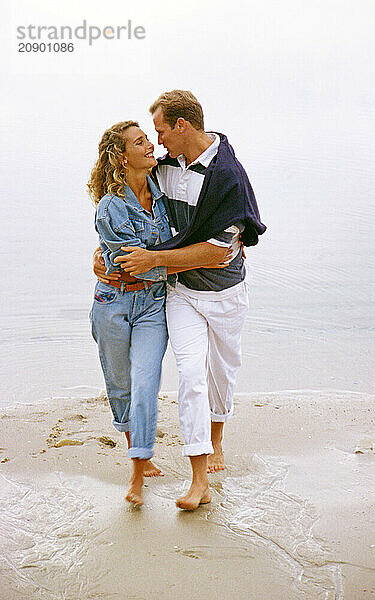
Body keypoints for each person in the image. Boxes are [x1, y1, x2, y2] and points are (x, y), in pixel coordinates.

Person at [94, 91, 266, 510]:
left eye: (160, 131)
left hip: (225, 291)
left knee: (222, 373)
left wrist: (151, 260)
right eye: (149, 136)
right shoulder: (163, 168)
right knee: (190, 374)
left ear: (181, 126)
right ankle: (198, 478)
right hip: (182, 292)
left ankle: (217, 438)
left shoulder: (226, 174)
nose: (156, 142)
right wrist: (103, 257)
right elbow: (121, 217)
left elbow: (216, 250)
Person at [88, 120, 228, 507]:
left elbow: (195, 219)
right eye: (141, 141)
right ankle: (138, 450)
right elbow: (131, 263)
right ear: (121, 156)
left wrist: (233, 236)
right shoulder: (110, 207)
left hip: (152, 303)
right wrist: (206, 260)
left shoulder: (163, 190)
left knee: (146, 382)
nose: (151, 145)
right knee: (121, 388)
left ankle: (137, 472)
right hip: (112, 304)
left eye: (150, 137)